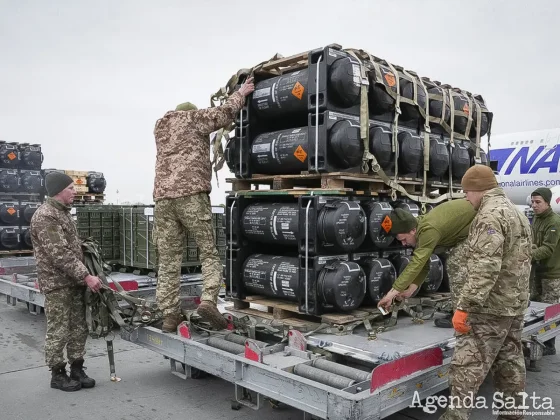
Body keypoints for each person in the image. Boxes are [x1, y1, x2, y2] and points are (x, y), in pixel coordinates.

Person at [153, 77, 255, 333]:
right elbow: (223, 114)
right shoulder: (193, 119)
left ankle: (169, 315)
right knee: (208, 252)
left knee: (168, 260)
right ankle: (209, 300)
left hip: (163, 200)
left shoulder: (160, 127)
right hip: (191, 196)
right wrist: (240, 93)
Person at [439, 164, 532, 420]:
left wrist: (464, 306)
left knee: (467, 365)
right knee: (510, 361)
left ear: (478, 189)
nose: (466, 199)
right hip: (514, 304)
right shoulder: (517, 212)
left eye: (467, 192)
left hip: (489, 308)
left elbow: (485, 267)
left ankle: (455, 416)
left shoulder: (489, 215)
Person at [30, 172, 103, 392]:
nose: (75, 191)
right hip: (58, 283)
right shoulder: (46, 216)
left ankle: (77, 368)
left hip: (73, 282)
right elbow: (59, 253)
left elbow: (71, 247)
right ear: (59, 190)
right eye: (71, 188)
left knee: (79, 327)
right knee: (59, 329)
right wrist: (86, 276)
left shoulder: (63, 214)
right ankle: (58, 373)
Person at [377, 199, 476, 328]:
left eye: (403, 239)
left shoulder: (428, 230)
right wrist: (410, 290)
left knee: (456, 265)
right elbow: (423, 263)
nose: (404, 244)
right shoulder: (419, 228)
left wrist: (391, 294)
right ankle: (462, 311)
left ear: (412, 230)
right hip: (468, 229)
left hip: (482, 223)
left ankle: (464, 316)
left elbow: (417, 263)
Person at [529, 187, 560, 356]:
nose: (534, 205)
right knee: (535, 309)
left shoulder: (554, 222)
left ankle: (549, 344)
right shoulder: (537, 219)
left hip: (551, 274)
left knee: (550, 311)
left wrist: (526, 254)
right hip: (538, 271)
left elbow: (548, 249)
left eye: (538, 202)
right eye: (532, 202)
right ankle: (537, 340)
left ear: (547, 203)